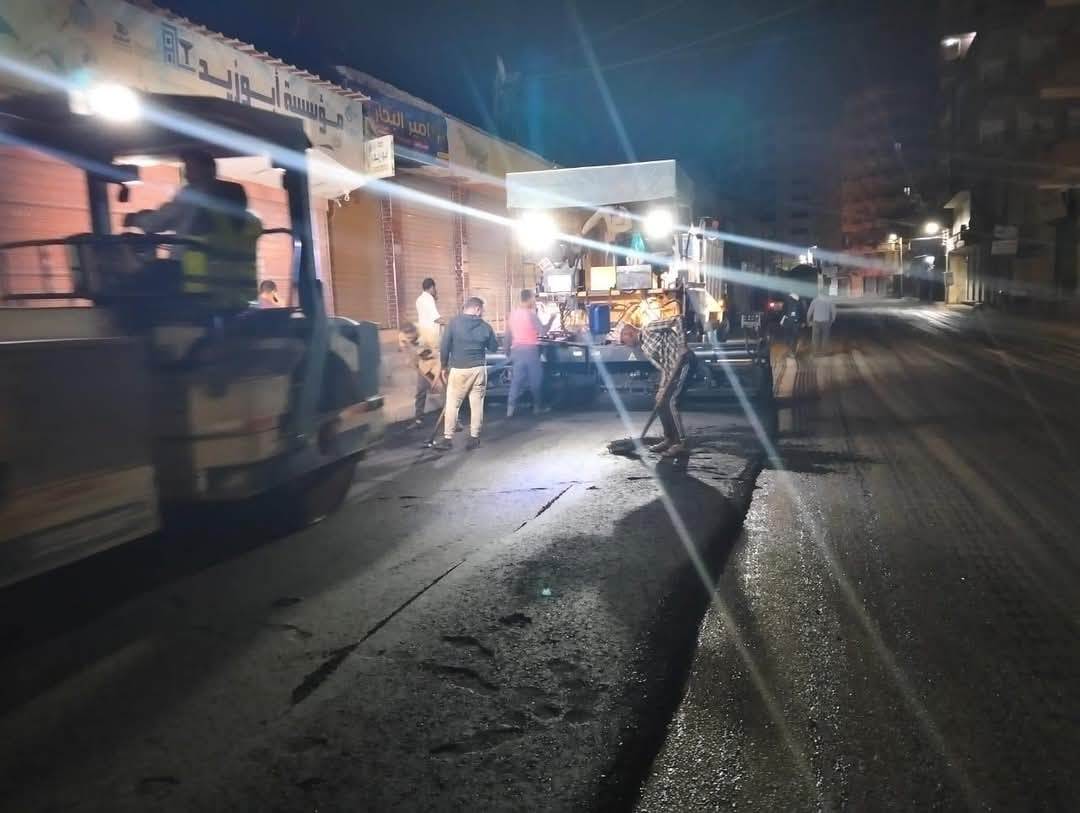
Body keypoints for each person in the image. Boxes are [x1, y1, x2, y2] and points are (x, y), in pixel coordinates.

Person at [124, 149, 260, 311]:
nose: (186, 174)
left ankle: (133, 322)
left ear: (209, 169)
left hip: (191, 272)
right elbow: (187, 222)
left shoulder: (194, 193)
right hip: (230, 282)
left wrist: (136, 219)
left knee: (131, 286)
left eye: (190, 168)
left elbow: (159, 222)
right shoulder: (238, 207)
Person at [433, 297, 499, 451]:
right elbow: (494, 347)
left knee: (452, 404)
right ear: (477, 309)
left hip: (459, 369)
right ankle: (474, 438)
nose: (483, 312)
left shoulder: (453, 323)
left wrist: (443, 366)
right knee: (477, 405)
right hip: (478, 370)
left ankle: (448, 439)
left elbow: (444, 346)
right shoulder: (485, 326)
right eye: (482, 310)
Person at [637, 316, 694, 458]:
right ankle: (669, 439)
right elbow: (663, 369)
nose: (623, 344)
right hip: (672, 370)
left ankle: (681, 443)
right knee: (661, 402)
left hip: (685, 362)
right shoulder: (644, 348)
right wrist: (662, 389)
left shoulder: (650, 327)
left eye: (623, 340)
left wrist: (682, 344)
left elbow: (678, 319)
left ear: (629, 333)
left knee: (671, 402)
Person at [506, 289, 556, 417]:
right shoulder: (530, 314)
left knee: (516, 381)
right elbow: (543, 331)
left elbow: (508, 335)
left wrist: (507, 352)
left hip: (517, 350)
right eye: (533, 298)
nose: (534, 301)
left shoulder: (513, 314)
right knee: (536, 380)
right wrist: (552, 319)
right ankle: (537, 407)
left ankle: (510, 410)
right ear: (528, 299)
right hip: (530, 351)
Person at [398, 320, 442, 429]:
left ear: (416, 331)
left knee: (444, 390)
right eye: (407, 338)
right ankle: (419, 419)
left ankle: (454, 419)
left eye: (411, 338)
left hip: (436, 363)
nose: (409, 340)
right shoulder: (402, 335)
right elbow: (408, 352)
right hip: (423, 363)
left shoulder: (429, 335)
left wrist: (436, 379)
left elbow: (441, 358)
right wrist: (411, 360)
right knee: (421, 390)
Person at [415, 278, 445, 349]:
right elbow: (436, 318)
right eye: (434, 288)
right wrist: (448, 322)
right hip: (431, 334)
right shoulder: (429, 299)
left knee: (426, 353)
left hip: (423, 332)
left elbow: (426, 314)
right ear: (432, 287)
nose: (435, 290)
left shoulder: (419, 299)